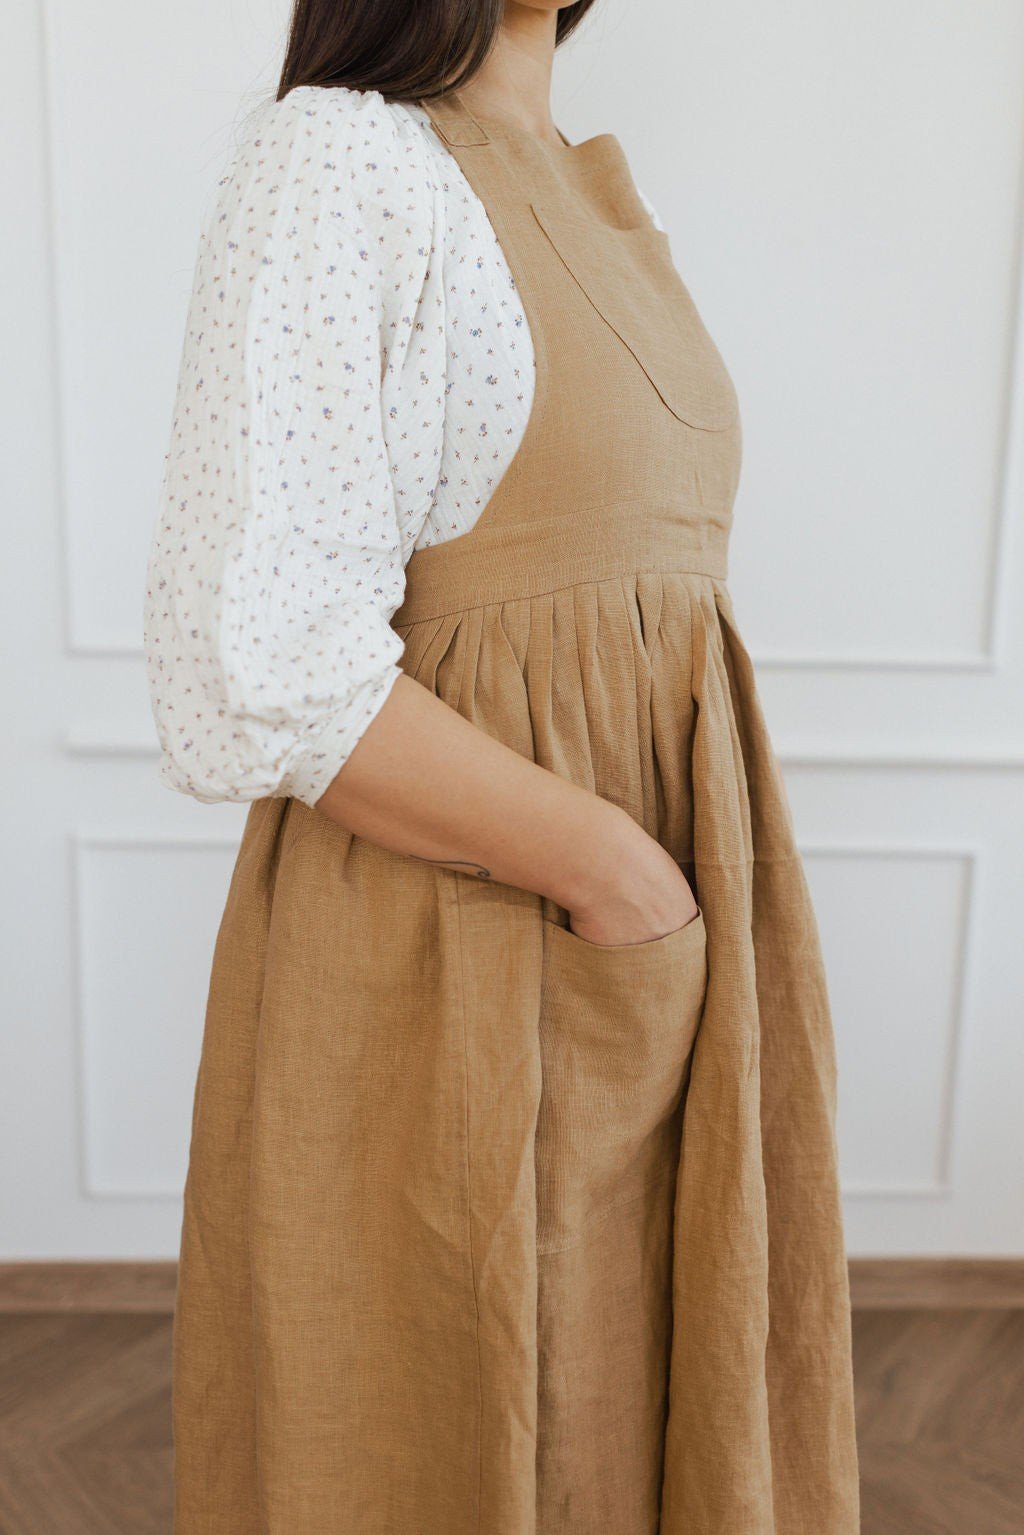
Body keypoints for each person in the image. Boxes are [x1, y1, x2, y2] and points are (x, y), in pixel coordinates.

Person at [143, 1, 861, 1530]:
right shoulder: (341, 158)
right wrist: (612, 875)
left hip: (643, 932)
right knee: (449, 1426)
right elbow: (259, 658)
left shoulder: (586, 184)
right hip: (467, 953)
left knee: (634, 1414)